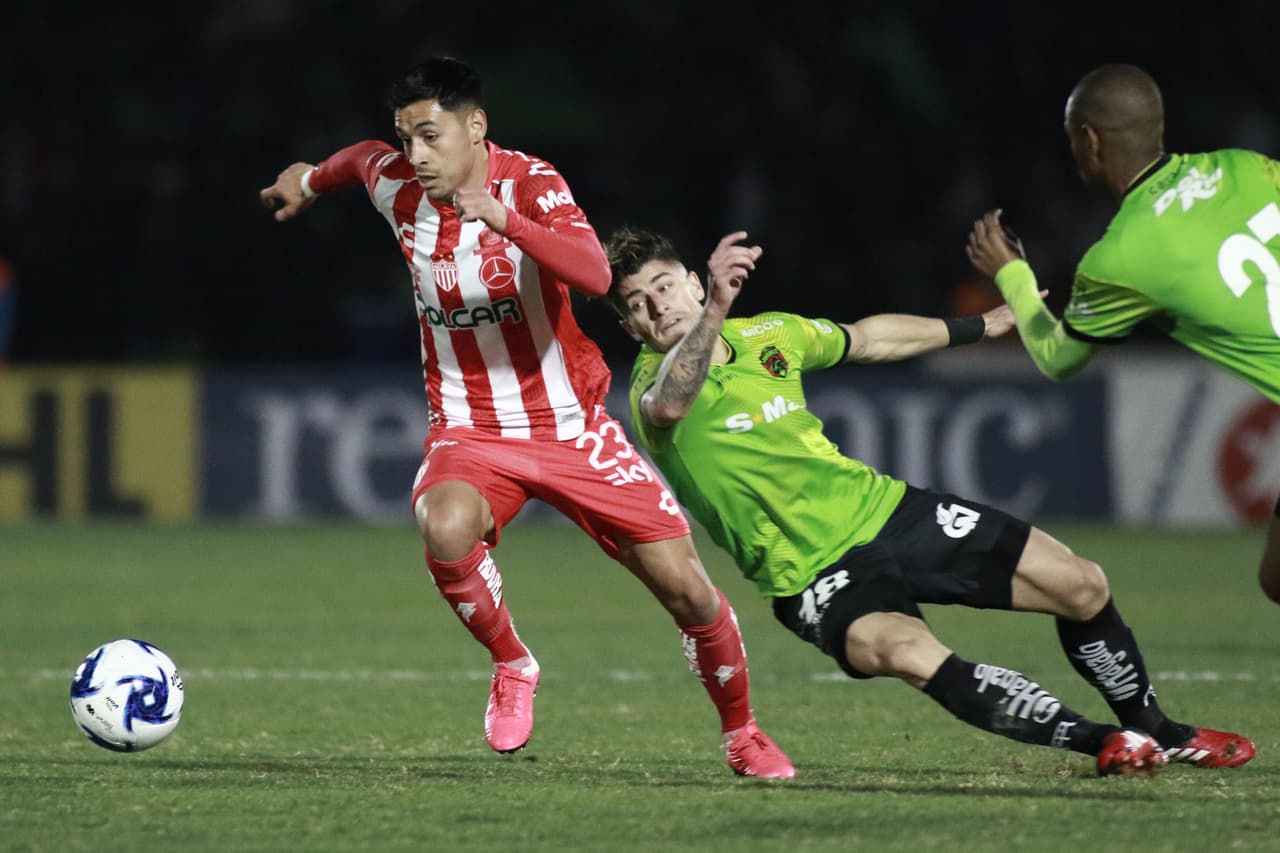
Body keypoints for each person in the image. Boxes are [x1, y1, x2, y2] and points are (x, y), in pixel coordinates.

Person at [259, 57, 794, 777]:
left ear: (475, 127)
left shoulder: (532, 184)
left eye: (430, 136)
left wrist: (503, 219)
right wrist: (310, 180)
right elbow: (360, 160)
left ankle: (742, 732)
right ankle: (512, 662)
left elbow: (596, 274)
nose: (416, 154)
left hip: (570, 424)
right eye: (407, 137)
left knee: (689, 591)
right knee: (444, 524)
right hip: (471, 428)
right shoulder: (398, 184)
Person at [605, 225, 1256, 774]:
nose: (656, 306)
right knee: (910, 654)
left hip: (888, 511)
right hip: (812, 575)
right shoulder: (651, 389)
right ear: (631, 326)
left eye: (664, 286)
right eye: (637, 303)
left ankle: (1159, 729)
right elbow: (673, 401)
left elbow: (869, 337)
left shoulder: (771, 334)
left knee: (1081, 583)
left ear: (693, 282)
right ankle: (1106, 742)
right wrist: (716, 309)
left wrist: (981, 325)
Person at [966, 63, 1280, 605]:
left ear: (1090, 141)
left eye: (1071, 139)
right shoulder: (1245, 166)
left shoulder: (1123, 255)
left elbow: (1058, 357)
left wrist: (1012, 275)